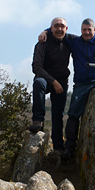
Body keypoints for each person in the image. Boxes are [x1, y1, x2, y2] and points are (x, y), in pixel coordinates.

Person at [39, 18, 95, 160]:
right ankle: (70, 148)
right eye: (84, 30)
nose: (86, 32)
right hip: (81, 83)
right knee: (73, 113)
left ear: (94, 30)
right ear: (81, 30)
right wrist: (45, 31)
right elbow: (58, 31)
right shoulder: (74, 41)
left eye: (89, 30)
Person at [29, 17, 70, 153]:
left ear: (66, 29)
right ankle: (38, 121)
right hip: (46, 81)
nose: (59, 29)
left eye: (62, 26)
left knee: (58, 115)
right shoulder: (42, 43)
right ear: (51, 28)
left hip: (62, 83)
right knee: (38, 83)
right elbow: (37, 67)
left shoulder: (70, 41)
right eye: (56, 26)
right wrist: (54, 82)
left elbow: (87, 38)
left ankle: (58, 147)